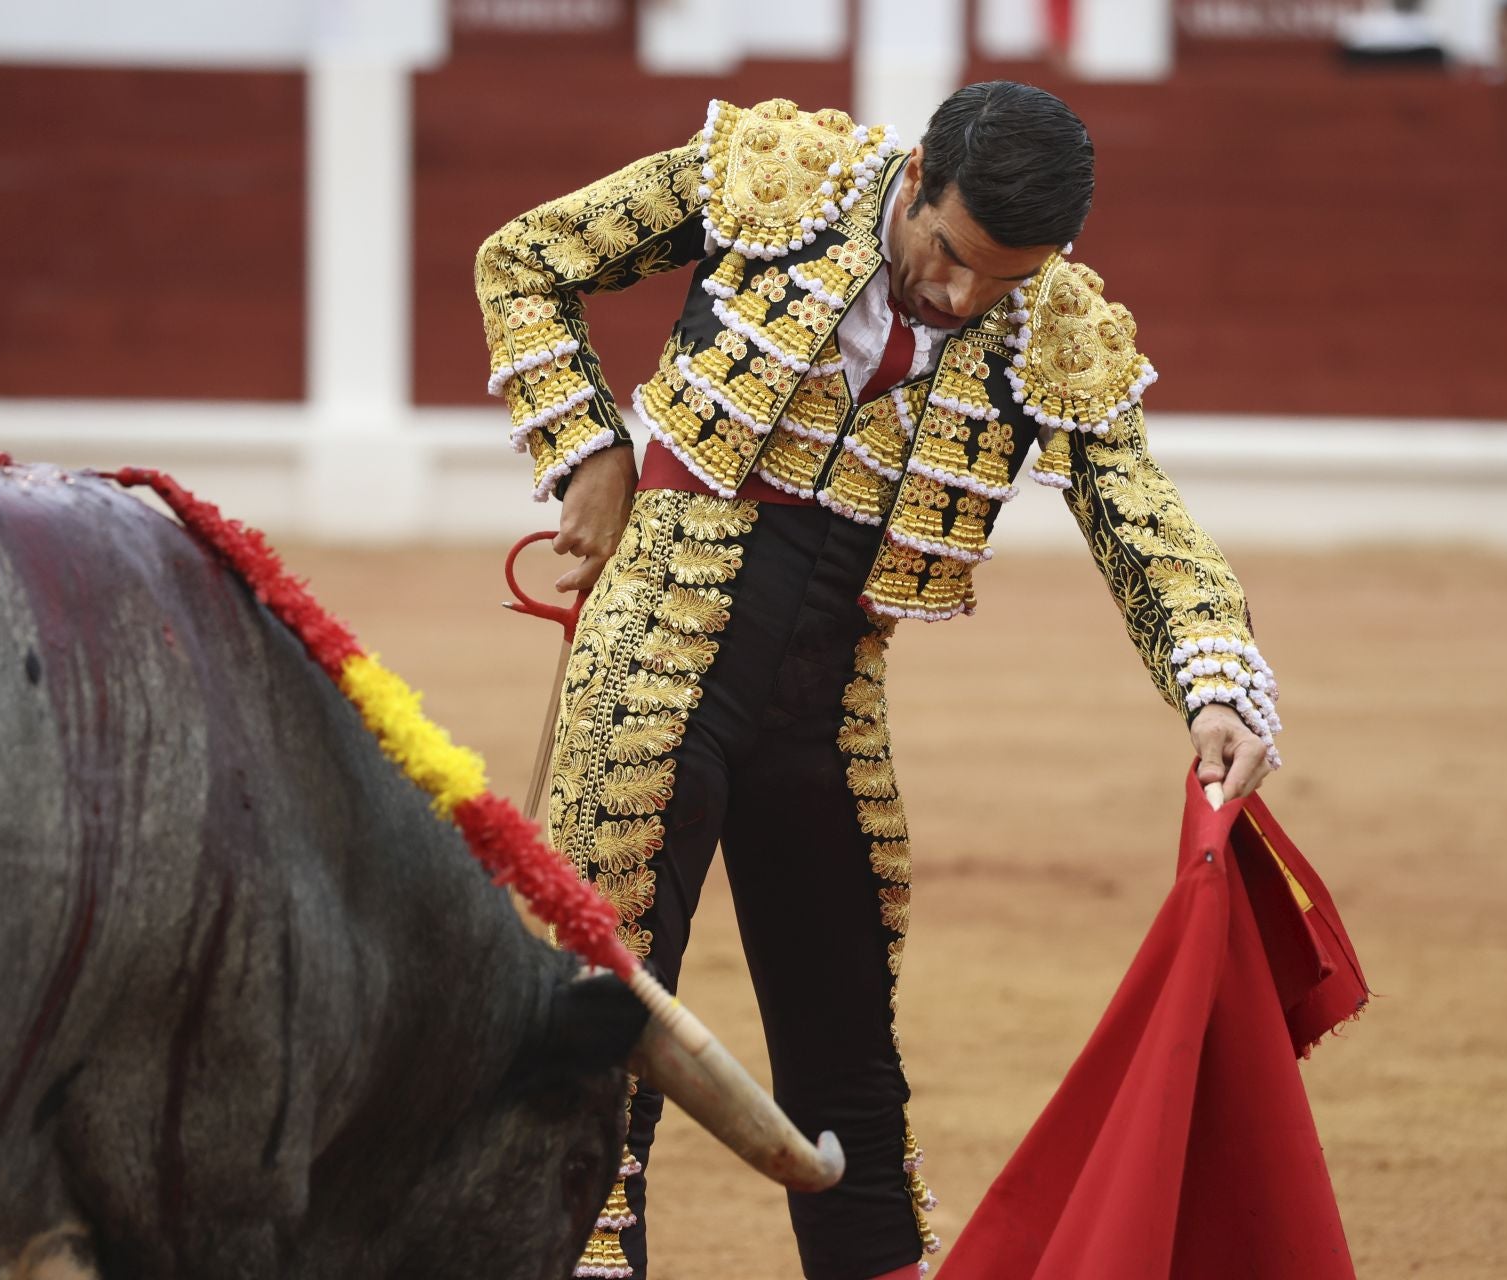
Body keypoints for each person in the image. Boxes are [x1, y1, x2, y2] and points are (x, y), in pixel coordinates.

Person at [474, 81, 1280, 1280]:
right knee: (604, 1020)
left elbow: (1142, 518)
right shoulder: (777, 179)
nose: (962, 297)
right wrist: (588, 448)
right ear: (913, 182)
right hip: (652, 655)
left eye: (1002, 280)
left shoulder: (1049, 324)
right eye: (950, 255)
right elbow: (524, 258)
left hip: (828, 696)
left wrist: (1216, 681)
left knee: (850, 1052)